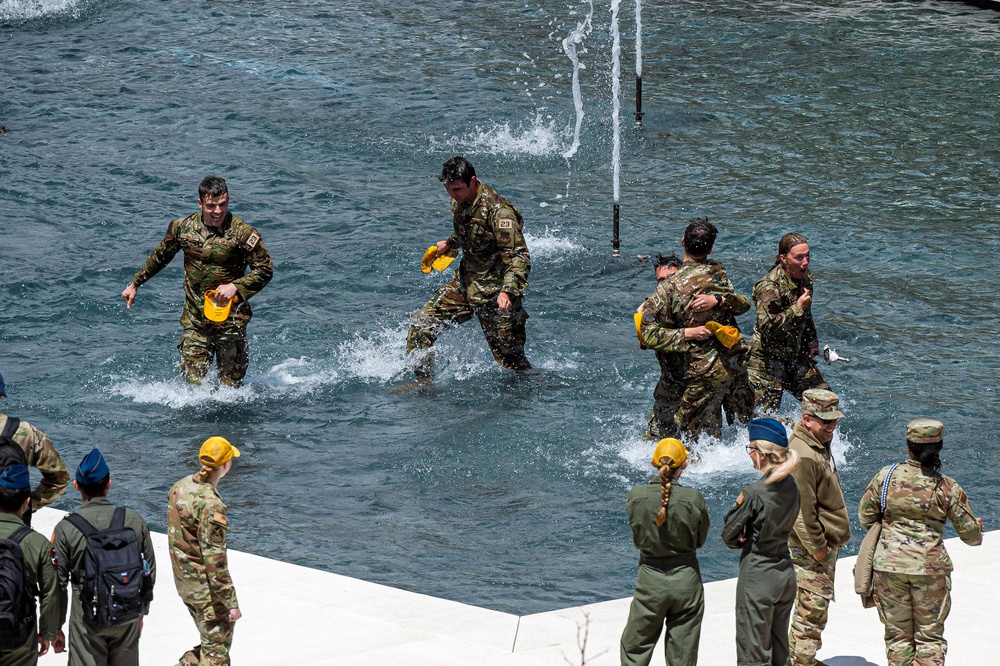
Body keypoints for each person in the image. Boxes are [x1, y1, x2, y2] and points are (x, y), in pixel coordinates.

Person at [121, 176, 274, 387]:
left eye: (223, 205)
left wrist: (236, 287)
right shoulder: (182, 228)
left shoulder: (243, 233)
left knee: (231, 391)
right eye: (211, 206)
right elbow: (161, 256)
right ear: (200, 203)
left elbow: (265, 269)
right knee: (192, 391)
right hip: (195, 322)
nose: (218, 211)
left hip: (231, 322)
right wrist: (135, 284)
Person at [859, 418, 984, 666]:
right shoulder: (947, 486)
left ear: (909, 446)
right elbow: (971, 537)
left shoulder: (886, 477)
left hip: (889, 567)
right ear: (939, 447)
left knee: (898, 638)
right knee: (929, 638)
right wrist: (976, 529)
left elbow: (865, 516)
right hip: (930, 569)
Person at [406, 156, 531, 375]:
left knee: (512, 364)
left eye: (458, 189)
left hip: (496, 296)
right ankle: (423, 384)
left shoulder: (500, 213)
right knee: (421, 326)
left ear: (473, 181)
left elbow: (519, 257)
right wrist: (451, 243)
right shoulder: (459, 200)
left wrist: (507, 292)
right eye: (449, 189)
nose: (454, 195)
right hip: (466, 284)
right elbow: (470, 228)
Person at [638, 218, 751, 438]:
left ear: (682, 242)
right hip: (711, 370)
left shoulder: (670, 288)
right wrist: (718, 299)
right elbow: (743, 304)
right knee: (736, 428)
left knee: (693, 437)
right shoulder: (717, 272)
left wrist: (686, 332)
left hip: (702, 373)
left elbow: (646, 333)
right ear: (710, 248)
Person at [52, 448, 156, 666]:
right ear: (109, 483)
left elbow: (58, 584)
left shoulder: (66, 529)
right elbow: (148, 570)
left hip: (86, 616)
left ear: (76, 486)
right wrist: (141, 612)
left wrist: (56, 626)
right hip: (127, 609)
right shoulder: (134, 520)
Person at [620, 438, 709, 666]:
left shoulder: (636, 495)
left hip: (650, 579)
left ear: (653, 462)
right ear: (685, 464)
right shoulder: (694, 499)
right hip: (686, 580)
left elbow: (636, 534)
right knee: (683, 652)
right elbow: (700, 541)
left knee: (634, 648)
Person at [722, 418, 801, 666]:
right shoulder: (792, 485)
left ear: (764, 454)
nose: (750, 455)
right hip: (785, 573)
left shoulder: (755, 492)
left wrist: (741, 537)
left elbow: (728, 533)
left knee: (753, 654)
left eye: (751, 449)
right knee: (780, 651)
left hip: (759, 576)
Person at [786, 389, 850, 666]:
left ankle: (802, 658)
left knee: (810, 607)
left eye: (835, 421)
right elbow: (801, 511)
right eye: (826, 422)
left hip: (815, 546)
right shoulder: (805, 455)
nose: (832, 427)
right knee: (813, 608)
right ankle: (802, 662)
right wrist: (819, 549)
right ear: (807, 419)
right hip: (809, 549)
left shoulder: (814, 444)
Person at [168, 437, 242, 666]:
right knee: (216, 653)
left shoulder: (180, 486)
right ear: (226, 465)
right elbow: (215, 559)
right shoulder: (212, 504)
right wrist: (230, 602)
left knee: (210, 643)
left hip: (185, 584)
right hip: (206, 591)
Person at [748, 233, 830, 413]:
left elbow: (807, 315)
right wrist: (798, 307)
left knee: (824, 404)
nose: (805, 262)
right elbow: (768, 328)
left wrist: (811, 341)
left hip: (794, 356)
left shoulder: (806, 277)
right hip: (767, 361)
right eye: (799, 257)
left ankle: (808, 436)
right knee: (764, 420)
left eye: (808, 255)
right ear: (783, 259)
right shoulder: (769, 287)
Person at [0, 465, 59, 666]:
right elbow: (50, 592)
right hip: (20, 636)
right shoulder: (39, 543)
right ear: (26, 503)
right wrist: (46, 632)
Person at [0, 372, 70, 527]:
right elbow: (60, 477)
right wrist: (27, 504)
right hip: (16, 532)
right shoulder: (25, 431)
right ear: (0, 396)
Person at [637, 254, 683, 440]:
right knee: (653, 437)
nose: (665, 284)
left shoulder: (696, 302)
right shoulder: (653, 306)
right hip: (670, 380)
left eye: (670, 278)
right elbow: (645, 342)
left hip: (697, 381)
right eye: (660, 280)